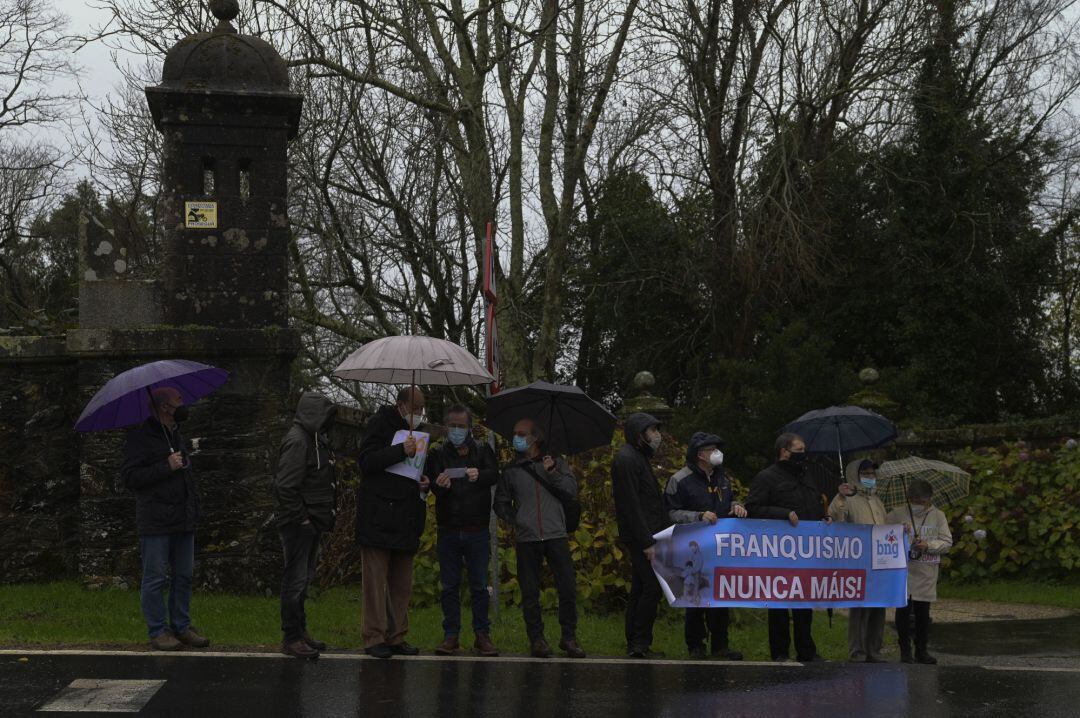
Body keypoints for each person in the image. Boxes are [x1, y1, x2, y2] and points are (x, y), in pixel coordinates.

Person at [121, 386, 209, 651]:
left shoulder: (175, 434)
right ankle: (158, 630)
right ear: (164, 407)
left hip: (183, 517)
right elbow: (130, 478)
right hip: (156, 520)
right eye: (178, 400)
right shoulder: (140, 438)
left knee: (183, 576)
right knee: (156, 577)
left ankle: (181, 627)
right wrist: (165, 466)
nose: (183, 403)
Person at [493, 418, 586, 659]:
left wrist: (552, 473)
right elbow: (501, 503)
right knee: (530, 591)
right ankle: (536, 639)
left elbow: (571, 491)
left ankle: (569, 637)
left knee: (567, 587)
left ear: (536, 438)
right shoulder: (511, 469)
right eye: (515, 433)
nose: (516, 437)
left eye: (521, 433)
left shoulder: (557, 463)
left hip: (556, 534)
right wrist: (517, 519)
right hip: (528, 538)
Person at [356, 386, 431, 659]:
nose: (418, 414)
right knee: (375, 583)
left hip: (406, 516)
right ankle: (374, 636)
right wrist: (400, 450)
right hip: (378, 515)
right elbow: (366, 461)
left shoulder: (422, 434)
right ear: (401, 405)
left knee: (401, 585)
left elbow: (420, 469)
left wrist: (426, 481)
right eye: (414, 409)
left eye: (421, 409)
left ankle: (397, 635)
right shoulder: (379, 423)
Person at [745, 432, 828, 662]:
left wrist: (823, 518)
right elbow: (752, 508)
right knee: (779, 603)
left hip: (806, 551)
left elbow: (812, 505)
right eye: (799, 451)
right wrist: (783, 514)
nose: (804, 456)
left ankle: (806, 650)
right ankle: (780, 652)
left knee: (804, 602)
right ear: (784, 452)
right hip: (779, 553)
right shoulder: (767, 477)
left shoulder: (806, 475)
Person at [665, 432, 747, 660]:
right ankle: (696, 646)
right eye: (712, 449)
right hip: (693, 547)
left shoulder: (723, 478)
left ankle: (721, 645)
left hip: (720, 547)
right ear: (700, 454)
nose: (717, 453)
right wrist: (698, 516)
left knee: (720, 595)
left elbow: (731, 499)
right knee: (695, 596)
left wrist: (737, 505)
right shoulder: (679, 479)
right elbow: (670, 513)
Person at [428, 404, 500, 657]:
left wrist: (478, 475)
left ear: (470, 427)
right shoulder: (437, 453)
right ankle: (451, 635)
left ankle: (482, 635)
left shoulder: (482, 449)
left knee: (479, 585)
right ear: (446, 427)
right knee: (449, 586)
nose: (457, 430)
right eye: (453, 426)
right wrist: (440, 485)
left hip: (477, 529)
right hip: (448, 527)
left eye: (462, 426)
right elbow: (429, 484)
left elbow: (494, 475)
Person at [273, 391, 338, 659]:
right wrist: (302, 518)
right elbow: (285, 485)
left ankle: (300, 631)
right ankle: (291, 637)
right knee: (295, 579)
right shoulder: (299, 441)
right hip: (298, 523)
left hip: (310, 521)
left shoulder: (315, 439)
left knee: (303, 579)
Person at [611, 412, 669, 659]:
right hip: (641, 536)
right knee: (652, 588)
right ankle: (639, 642)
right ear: (639, 434)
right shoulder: (626, 459)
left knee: (640, 587)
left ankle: (636, 641)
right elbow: (630, 504)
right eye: (652, 430)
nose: (657, 435)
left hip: (648, 533)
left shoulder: (639, 457)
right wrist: (646, 542)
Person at [885, 478, 952, 664]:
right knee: (903, 610)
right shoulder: (896, 514)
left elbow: (947, 542)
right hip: (903, 569)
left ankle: (921, 650)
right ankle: (904, 650)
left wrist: (929, 545)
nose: (918, 505)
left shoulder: (938, 516)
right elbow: (882, 535)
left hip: (926, 570)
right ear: (908, 498)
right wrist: (899, 531)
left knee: (923, 612)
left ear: (929, 500)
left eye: (922, 502)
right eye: (914, 500)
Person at [829, 458, 888, 663]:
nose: (870, 477)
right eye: (866, 474)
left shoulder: (877, 500)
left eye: (872, 474)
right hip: (858, 561)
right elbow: (835, 517)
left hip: (880, 560)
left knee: (879, 606)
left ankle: (874, 649)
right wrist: (840, 496)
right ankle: (858, 651)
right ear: (855, 476)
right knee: (860, 608)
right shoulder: (847, 499)